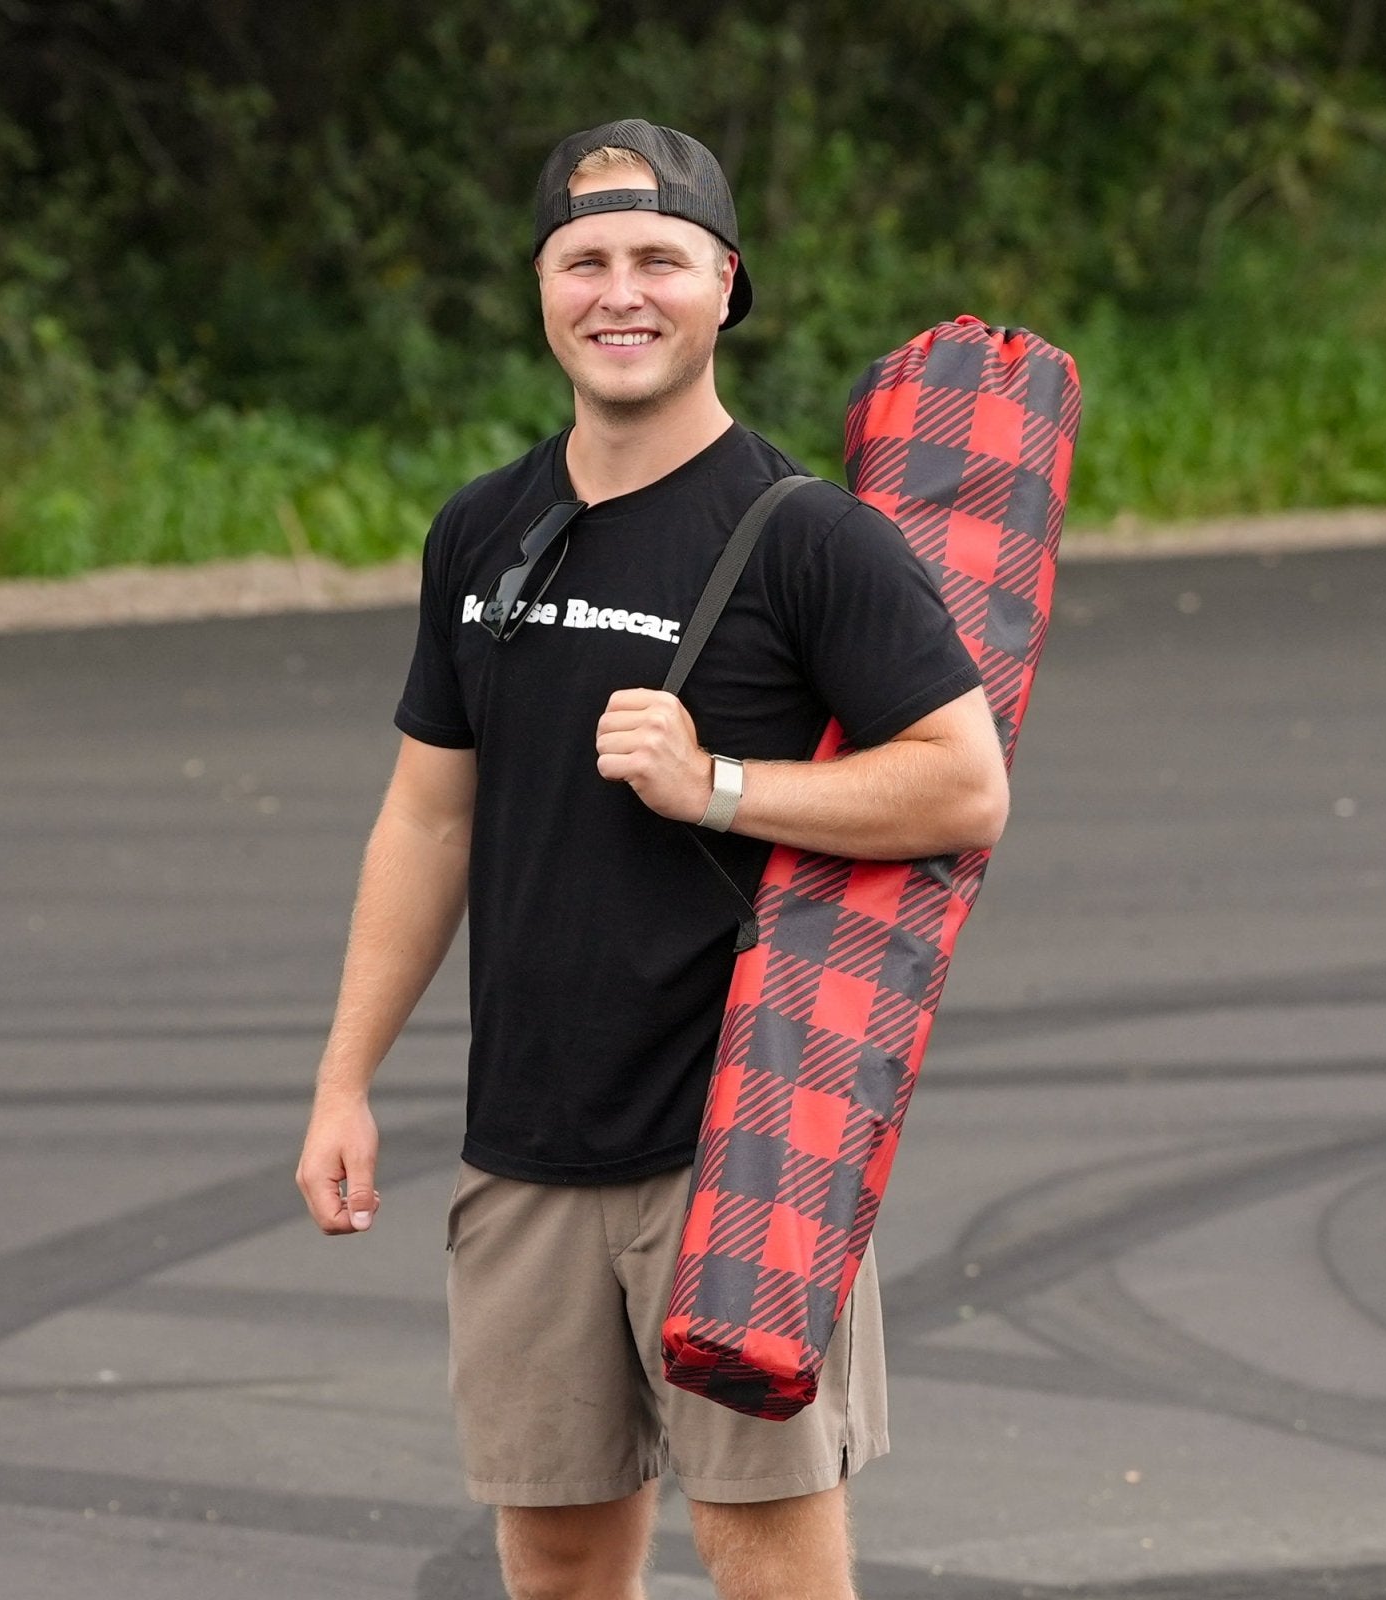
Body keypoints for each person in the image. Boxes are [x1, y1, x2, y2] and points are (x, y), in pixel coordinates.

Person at [296, 118, 1009, 1600]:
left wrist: (720, 784)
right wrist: (344, 1080)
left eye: (660, 259)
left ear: (725, 286)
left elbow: (963, 784)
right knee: (554, 1561)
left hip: (741, 1144)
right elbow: (430, 815)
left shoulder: (809, 537)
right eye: (587, 260)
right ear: (545, 289)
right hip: (528, 1147)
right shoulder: (484, 530)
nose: (623, 292)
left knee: (765, 1559)